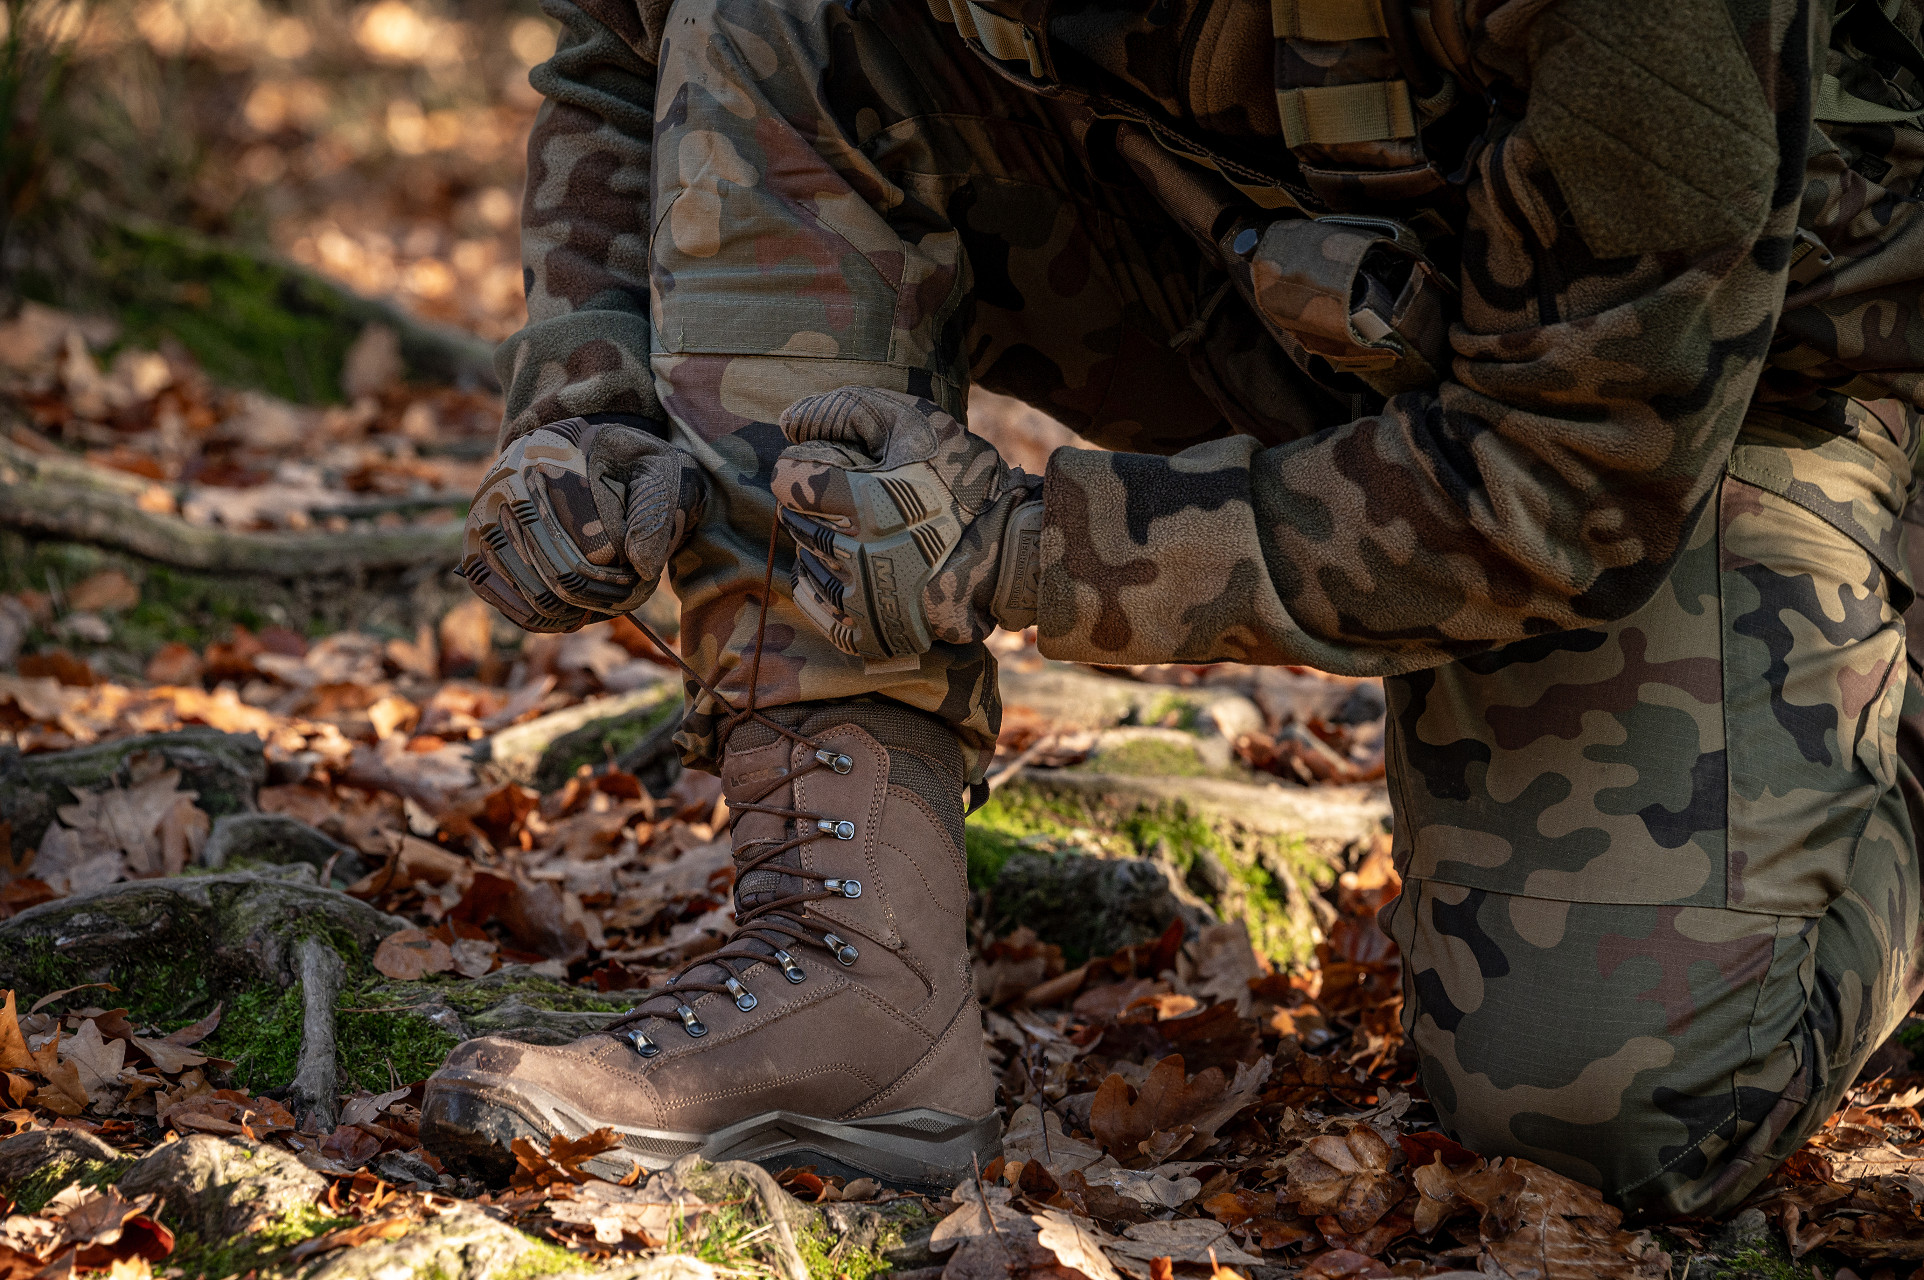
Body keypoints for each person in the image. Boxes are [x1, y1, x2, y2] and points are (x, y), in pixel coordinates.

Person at [422, 0, 1924, 1217]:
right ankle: (849, 961)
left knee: (1609, 1101)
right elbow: (636, 43)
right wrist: (589, 406)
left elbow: (1573, 472)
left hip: (1728, 380)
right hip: (1266, 261)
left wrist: (1024, 547)